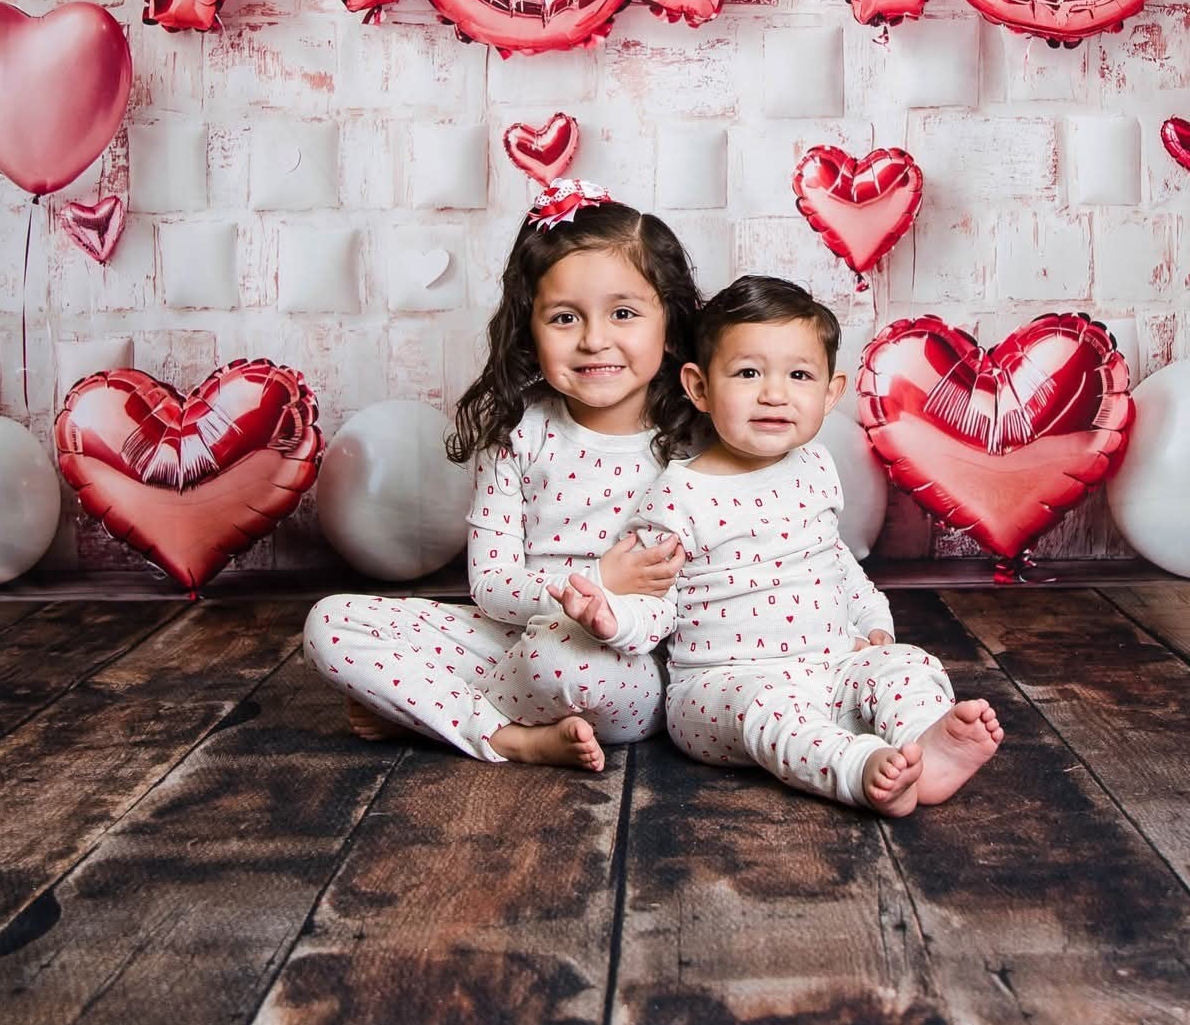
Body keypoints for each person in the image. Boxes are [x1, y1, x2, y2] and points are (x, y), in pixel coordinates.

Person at [550, 274, 1003, 815]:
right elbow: (654, 603)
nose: (774, 393)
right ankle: (858, 770)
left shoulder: (814, 466)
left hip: (831, 665)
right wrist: (612, 619)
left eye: (798, 375)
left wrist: (874, 625)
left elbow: (835, 562)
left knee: (905, 663)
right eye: (747, 373)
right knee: (771, 711)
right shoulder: (679, 496)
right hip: (723, 688)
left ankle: (925, 743)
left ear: (830, 393)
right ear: (699, 388)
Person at [304, 180, 701, 769]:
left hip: (622, 664)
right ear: (528, 327)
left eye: (623, 313)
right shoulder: (516, 433)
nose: (595, 340)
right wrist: (599, 578)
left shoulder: (693, 440)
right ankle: (508, 734)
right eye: (565, 317)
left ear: (668, 322)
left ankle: (432, 713)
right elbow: (490, 588)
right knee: (331, 623)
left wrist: (608, 608)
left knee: (564, 662)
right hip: (510, 637)